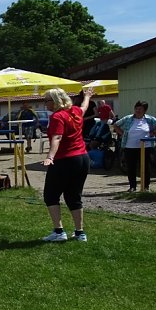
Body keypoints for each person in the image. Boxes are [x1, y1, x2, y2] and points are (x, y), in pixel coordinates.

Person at [40, 87, 93, 242]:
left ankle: (59, 232)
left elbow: (57, 138)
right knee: (73, 196)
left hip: (65, 160)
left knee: (50, 196)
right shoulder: (75, 111)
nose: (45, 104)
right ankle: (80, 233)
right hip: (82, 159)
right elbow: (84, 107)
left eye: (47, 101)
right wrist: (87, 96)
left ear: (56, 101)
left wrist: (50, 157)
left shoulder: (58, 116)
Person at [113, 101, 156, 192]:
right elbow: (116, 125)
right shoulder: (128, 118)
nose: (138, 110)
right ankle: (132, 186)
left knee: (145, 167)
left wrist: (154, 132)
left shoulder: (149, 119)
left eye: (140, 109)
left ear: (145, 110)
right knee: (131, 167)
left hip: (145, 147)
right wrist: (122, 133)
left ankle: (146, 186)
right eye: (136, 108)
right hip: (129, 146)